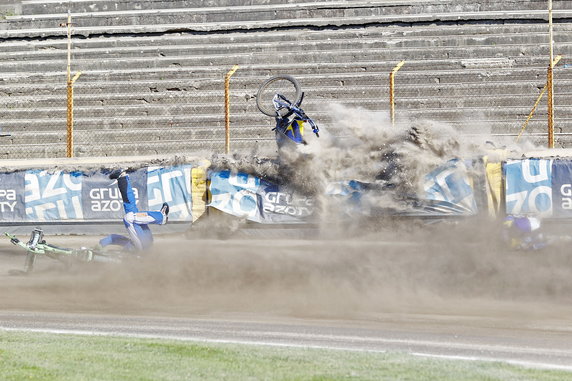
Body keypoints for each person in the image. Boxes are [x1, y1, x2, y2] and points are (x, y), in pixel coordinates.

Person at [97, 170, 169, 252]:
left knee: (130, 209)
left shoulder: (128, 245)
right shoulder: (130, 253)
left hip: (144, 241)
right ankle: (161, 217)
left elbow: (113, 238)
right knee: (129, 218)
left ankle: (122, 178)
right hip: (143, 245)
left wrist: (100, 245)